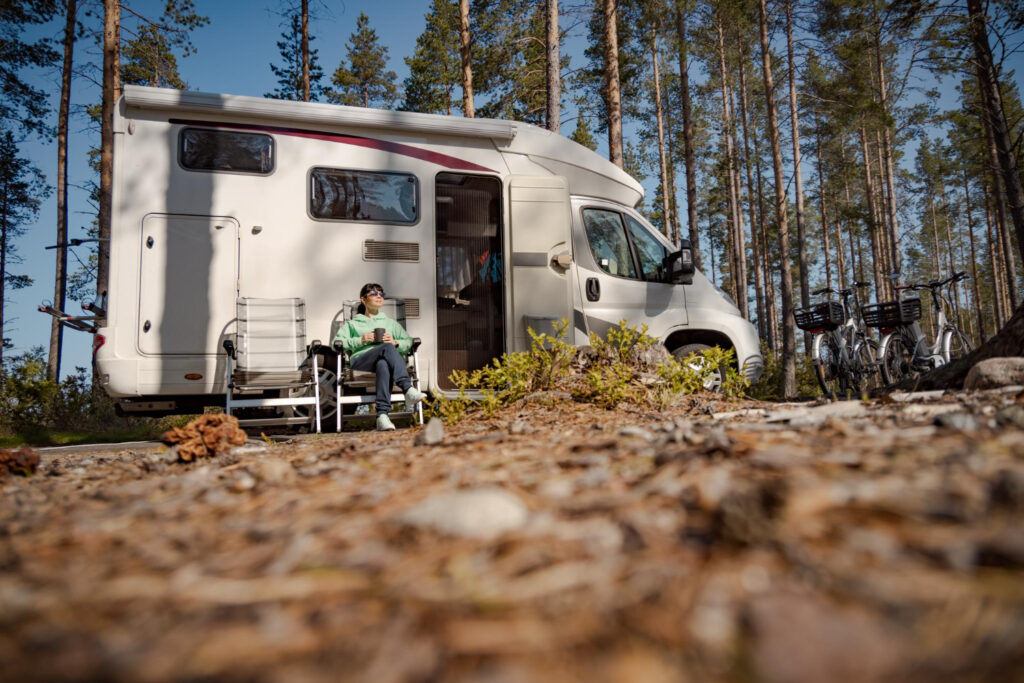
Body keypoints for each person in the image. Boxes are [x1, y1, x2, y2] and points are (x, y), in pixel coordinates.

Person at [334, 283, 425, 431]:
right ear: (363, 300)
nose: (379, 296)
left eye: (381, 294)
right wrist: (361, 340)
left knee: (383, 363)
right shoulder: (352, 324)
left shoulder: (390, 323)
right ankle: (407, 388)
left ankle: (382, 416)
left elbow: (408, 341)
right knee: (386, 349)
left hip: (383, 360)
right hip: (361, 362)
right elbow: (336, 343)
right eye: (374, 294)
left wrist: (395, 343)